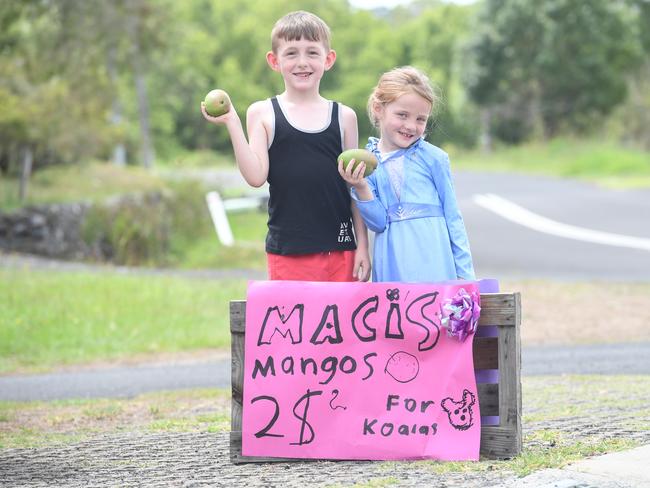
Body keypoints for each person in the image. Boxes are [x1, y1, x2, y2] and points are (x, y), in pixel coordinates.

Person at [201, 11, 370, 282]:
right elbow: (256, 177)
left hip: (341, 251)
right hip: (288, 253)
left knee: (337, 326)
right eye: (291, 53)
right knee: (296, 326)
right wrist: (232, 121)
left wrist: (363, 245)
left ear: (328, 59)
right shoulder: (262, 113)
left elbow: (354, 188)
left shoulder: (344, 117)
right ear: (274, 61)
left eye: (312, 53)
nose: (302, 62)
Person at [338, 66, 475, 283]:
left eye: (421, 119)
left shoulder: (434, 158)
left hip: (435, 263)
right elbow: (378, 223)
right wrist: (361, 186)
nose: (411, 126)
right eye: (402, 115)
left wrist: (465, 276)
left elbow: (453, 218)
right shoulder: (369, 163)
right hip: (392, 264)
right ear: (378, 109)